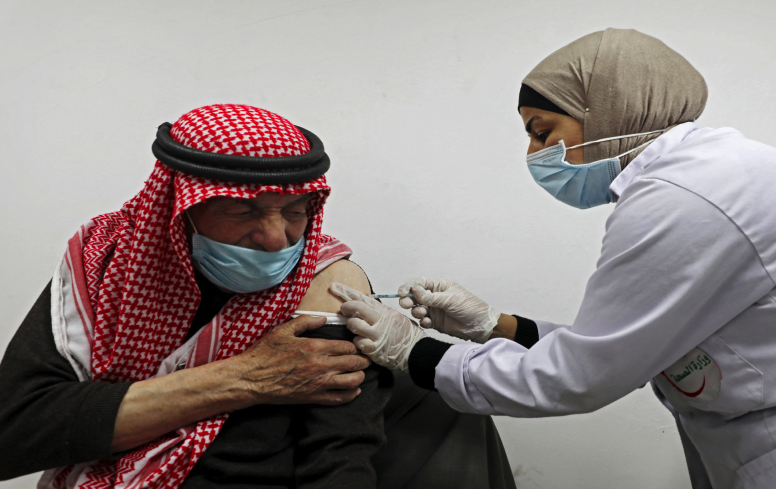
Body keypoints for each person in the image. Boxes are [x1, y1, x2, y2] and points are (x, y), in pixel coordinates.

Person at [330, 28, 776, 489]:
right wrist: (495, 326)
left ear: (607, 107)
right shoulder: (708, 174)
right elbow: (633, 347)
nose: (534, 155)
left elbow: (581, 377)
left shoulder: (685, 197)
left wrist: (414, 351)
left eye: (544, 132)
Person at [0, 104, 516, 489]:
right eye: (242, 211)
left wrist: (495, 325)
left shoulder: (326, 281)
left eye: (295, 211)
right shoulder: (108, 265)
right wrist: (246, 377)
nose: (277, 239)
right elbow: (15, 431)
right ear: (179, 210)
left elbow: (339, 458)